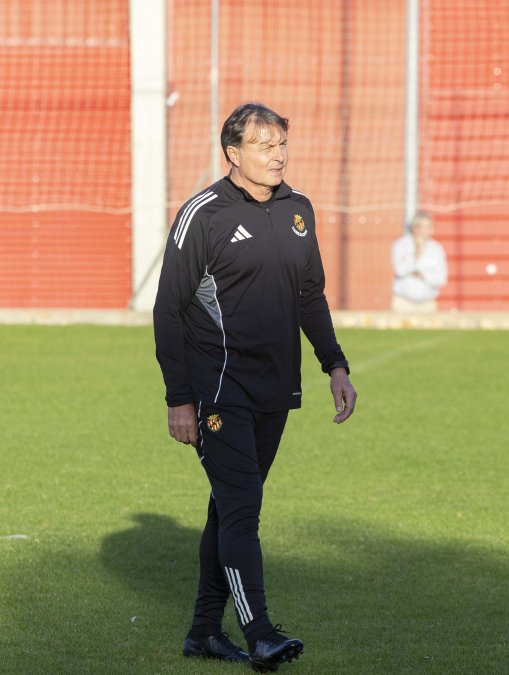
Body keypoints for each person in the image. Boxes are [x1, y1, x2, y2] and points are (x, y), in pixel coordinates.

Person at [153, 102, 357, 671]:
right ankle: (259, 631)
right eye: (264, 147)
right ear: (233, 154)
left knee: (229, 508)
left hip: (276, 389)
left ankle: (202, 632)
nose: (278, 156)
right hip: (217, 388)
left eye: (281, 144)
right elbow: (168, 312)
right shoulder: (204, 213)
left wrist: (334, 365)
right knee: (243, 508)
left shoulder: (299, 210)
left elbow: (309, 296)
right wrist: (179, 399)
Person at [391, 211, 447, 312]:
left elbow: (441, 278)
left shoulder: (437, 249)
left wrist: (423, 274)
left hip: (427, 303)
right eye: (422, 227)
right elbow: (399, 270)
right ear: (414, 228)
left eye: (428, 227)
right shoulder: (401, 245)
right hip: (403, 302)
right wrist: (417, 252)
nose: (425, 231)